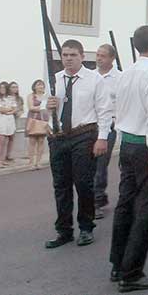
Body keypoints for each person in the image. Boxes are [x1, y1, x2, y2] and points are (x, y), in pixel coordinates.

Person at [110, 25, 148, 292]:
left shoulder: (126, 73)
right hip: (146, 147)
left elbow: (118, 111)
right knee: (145, 210)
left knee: (125, 204)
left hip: (128, 144)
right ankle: (131, 272)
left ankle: (118, 262)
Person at [44, 39, 112, 250]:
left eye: (73, 55)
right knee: (61, 185)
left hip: (84, 135)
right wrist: (49, 107)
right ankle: (64, 230)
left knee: (83, 184)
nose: (68, 59)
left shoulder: (94, 80)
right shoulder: (55, 79)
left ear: (82, 56)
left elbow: (104, 110)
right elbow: (48, 113)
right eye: (65, 55)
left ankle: (85, 227)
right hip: (59, 137)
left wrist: (102, 137)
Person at [94, 44, 122, 220]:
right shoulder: (90, 76)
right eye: (97, 55)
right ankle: (98, 195)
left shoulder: (120, 78)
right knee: (90, 164)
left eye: (102, 56)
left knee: (100, 163)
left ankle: (96, 199)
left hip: (109, 126)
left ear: (112, 58)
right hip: (90, 125)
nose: (98, 58)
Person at [25, 80, 49, 170]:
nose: (40, 87)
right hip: (33, 119)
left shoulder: (45, 97)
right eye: (38, 85)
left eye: (42, 85)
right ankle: (31, 162)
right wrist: (42, 107)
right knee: (32, 141)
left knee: (41, 140)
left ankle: (38, 161)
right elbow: (31, 107)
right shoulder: (31, 96)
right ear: (34, 86)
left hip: (44, 119)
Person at [0, 81, 16, 168]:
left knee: (5, 140)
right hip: (0, 121)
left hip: (9, 121)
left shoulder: (11, 98)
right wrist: (9, 109)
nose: (2, 89)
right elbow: (1, 110)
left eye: (4, 88)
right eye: (1, 87)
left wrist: (9, 110)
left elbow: (14, 109)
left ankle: (2, 159)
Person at [4, 81, 23, 162]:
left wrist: (19, 112)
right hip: (7, 118)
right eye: (13, 87)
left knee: (12, 137)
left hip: (16, 119)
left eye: (16, 87)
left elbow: (22, 108)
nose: (15, 89)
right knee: (5, 137)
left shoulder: (19, 98)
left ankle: (9, 154)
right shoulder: (6, 97)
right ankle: (3, 155)